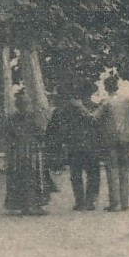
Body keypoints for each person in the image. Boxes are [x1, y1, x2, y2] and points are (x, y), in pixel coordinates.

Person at [45, 82, 101, 211]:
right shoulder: (95, 107)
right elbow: (100, 127)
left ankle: (80, 201)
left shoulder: (65, 109)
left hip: (74, 145)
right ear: (90, 93)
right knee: (93, 174)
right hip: (91, 146)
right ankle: (90, 201)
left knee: (76, 174)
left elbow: (54, 128)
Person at [4, 91, 50, 216]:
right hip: (24, 151)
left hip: (25, 151)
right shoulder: (28, 117)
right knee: (28, 177)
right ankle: (28, 205)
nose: (24, 106)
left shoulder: (16, 118)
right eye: (22, 104)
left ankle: (30, 205)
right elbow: (40, 133)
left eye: (25, 104)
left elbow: (40, 133)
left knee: (31, 177)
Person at [95, 75, 129, 212]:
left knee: (112, 171)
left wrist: (81, 107)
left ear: (106, 87)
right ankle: (125, 203)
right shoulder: (126, 100)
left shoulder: (105, 102)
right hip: (125, 139)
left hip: (110, 140)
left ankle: (115, 203)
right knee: (125, 170)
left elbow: (94, 117)